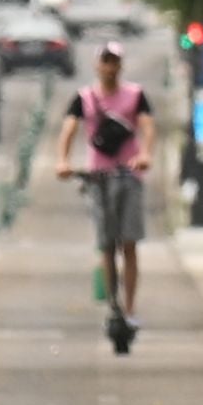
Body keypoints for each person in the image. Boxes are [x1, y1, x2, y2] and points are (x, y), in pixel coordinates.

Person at [55, 41, 156, 323]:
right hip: (98, 178)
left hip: (129, 176)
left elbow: (148, 127)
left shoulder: (136, 96)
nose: (110, 67)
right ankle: (113, 302)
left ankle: (131, 307)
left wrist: (145, 155)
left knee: (129, 243)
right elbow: (69, 130)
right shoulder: (84, 98)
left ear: (120, 65)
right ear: (97, 65)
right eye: (105, 61)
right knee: (106, 243)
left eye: (114, 61)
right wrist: (62, 161)